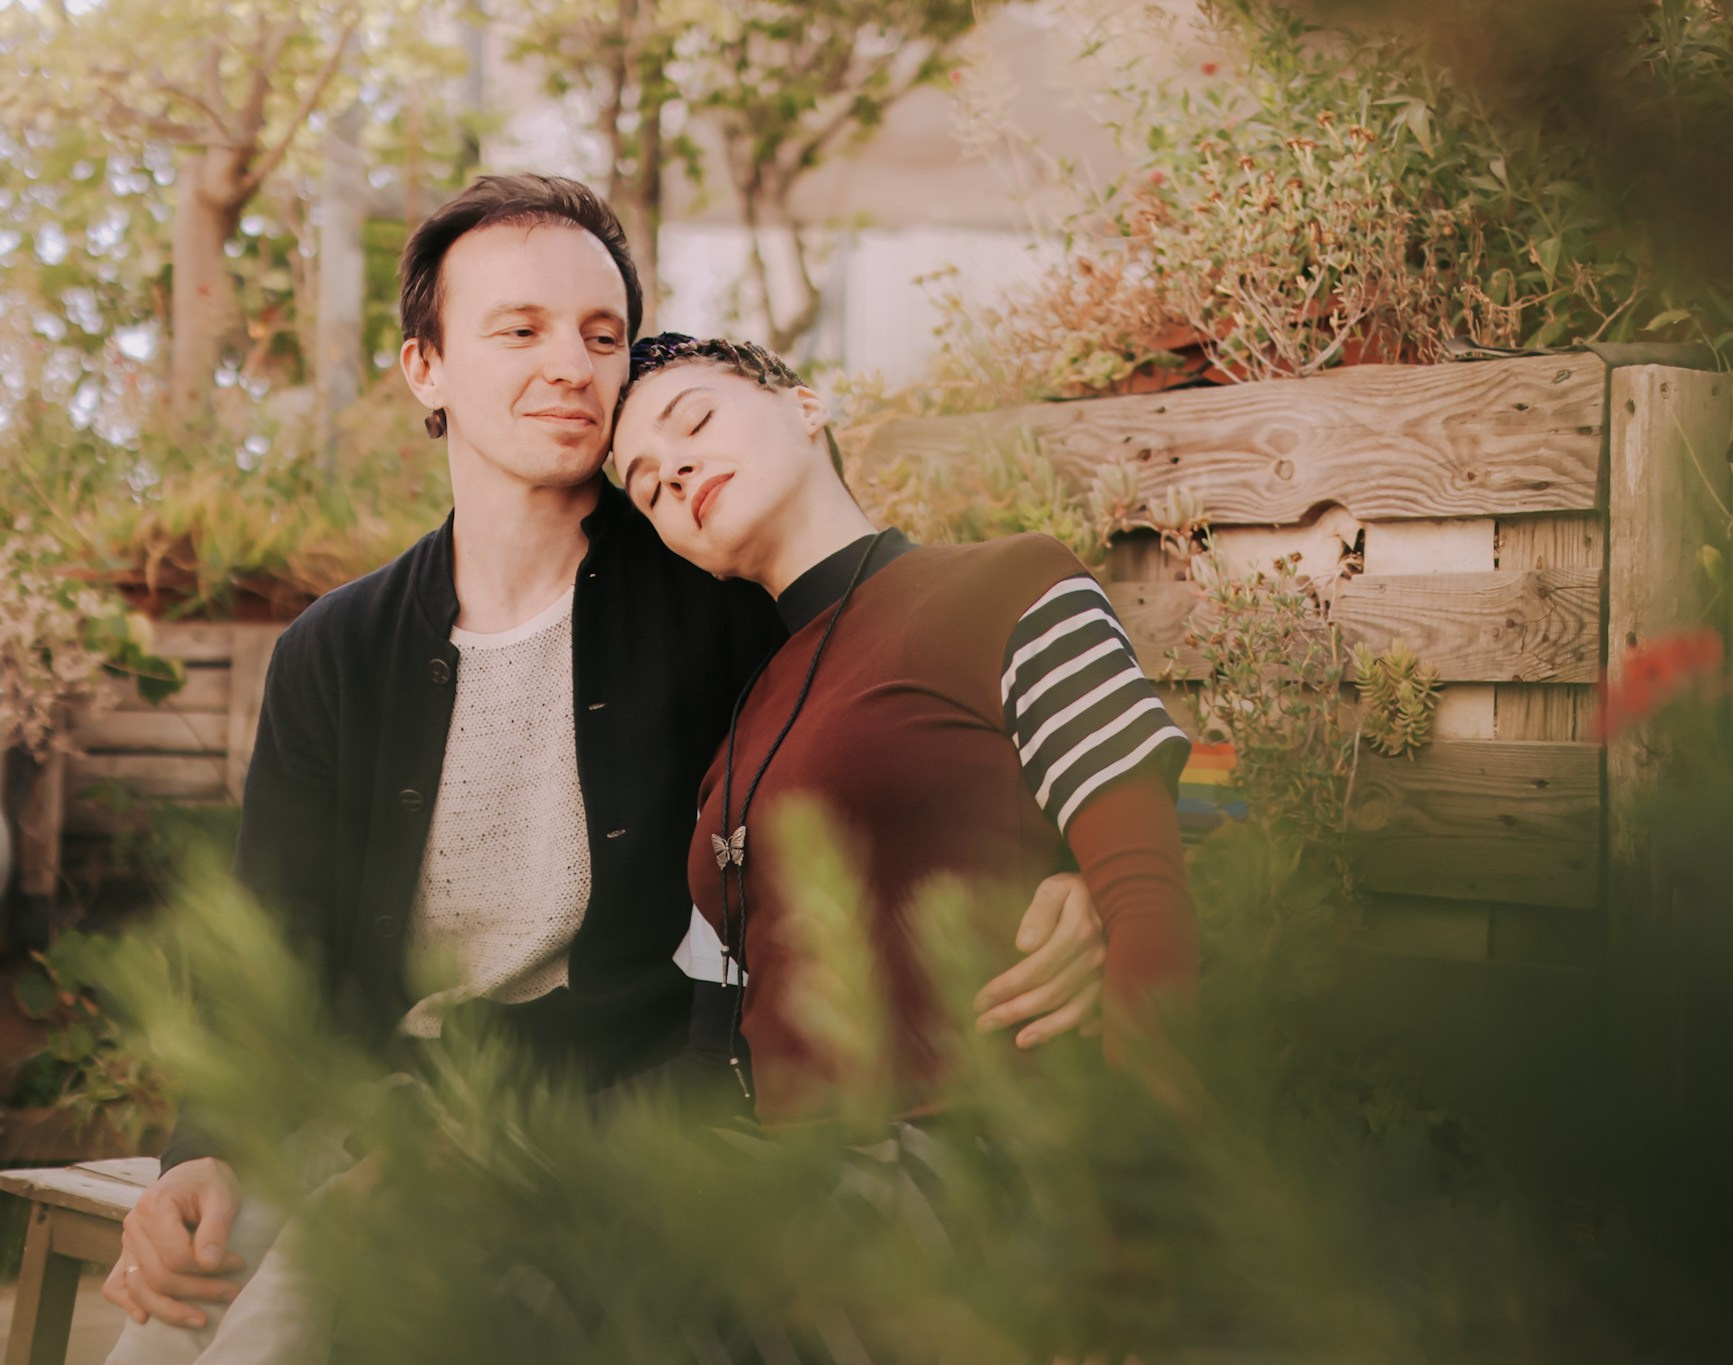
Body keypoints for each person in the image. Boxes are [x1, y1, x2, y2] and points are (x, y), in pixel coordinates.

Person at [100, 176, 1111, 1365]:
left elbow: (923, 706)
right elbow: (277, 945)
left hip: (594, 1126)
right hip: (361, 1112)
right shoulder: (338, 647)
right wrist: (204, 1151)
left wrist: (1084, 865)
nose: (571, 366)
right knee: (167, 1328)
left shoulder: (717, 592)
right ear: (425, 368)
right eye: (517, 330)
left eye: (600, 335)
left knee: (307, 1317)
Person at [612, 334, 1199, 1130]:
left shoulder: (1010, 586)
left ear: (806, 406)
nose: (673, 472)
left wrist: (1150, 1210)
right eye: (647, 488)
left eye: (696, 420)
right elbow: (716, 1052)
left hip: (977, 1170)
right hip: (781, 1197)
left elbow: (1148, 901)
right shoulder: (735, 742)